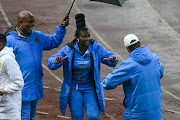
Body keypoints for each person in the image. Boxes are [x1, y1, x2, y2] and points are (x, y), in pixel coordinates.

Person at [47, 13, 118, 120]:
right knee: (77, 116)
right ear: (77, 38)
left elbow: (111, 58)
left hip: (90, 88)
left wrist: (113, 59)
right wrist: (56, 62)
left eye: (88, 36)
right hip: (74, 89)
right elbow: (51, 62)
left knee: (94, 116)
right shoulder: (68, 49)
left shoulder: (96, 47)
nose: (87, 39)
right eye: (84, 37)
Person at [5, 11, 69, 120]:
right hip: (20, 89)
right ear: (20, 22)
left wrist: (61, 28)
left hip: (35, 86)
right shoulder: (10, 40)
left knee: (31, 117)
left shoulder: (37, 36)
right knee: (23, 116)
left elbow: (54, 41)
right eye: (29, 22)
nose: (33, 24)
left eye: (33, 21)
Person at [102, 34, 164, 120]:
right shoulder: (155, 59)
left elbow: (108, 83)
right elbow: (161, 73)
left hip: (136, 114)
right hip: (156, 113)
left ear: (127, 48)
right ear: (139, 43)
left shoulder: (128, 65)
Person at [0, 34, 24, 119]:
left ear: (0, 45)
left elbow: (19, 83)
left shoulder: (7, 60)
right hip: (2, 107)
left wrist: (3, 91)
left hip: (10, 110)